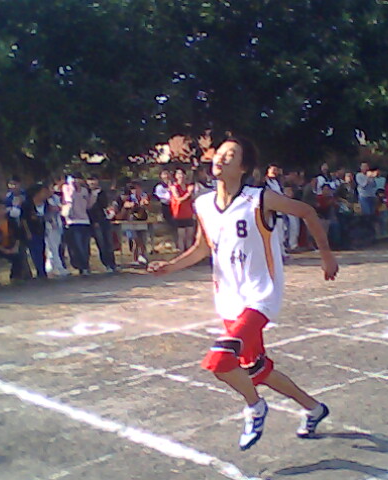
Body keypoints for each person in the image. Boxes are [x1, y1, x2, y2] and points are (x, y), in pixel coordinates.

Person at [148, 137, 338, 451]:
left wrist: (326, 256)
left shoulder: (260, 199)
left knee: (220, 360)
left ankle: (255, 406)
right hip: (229, 301)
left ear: (244, 167)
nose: (220, 158)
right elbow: (202, 248)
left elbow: (307, 212)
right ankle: (314, 408)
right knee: (256, 368)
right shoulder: (203, 203)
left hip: (260, 297)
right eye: (219, 153)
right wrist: (169, 267)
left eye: (230, 155)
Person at [61, 173, 97, 275]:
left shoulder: (84, 190)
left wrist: (93, 195)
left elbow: (88, 205)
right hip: (73, 221)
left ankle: (85, 266)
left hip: (85, 221)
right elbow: (68, 199)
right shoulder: (66, 188)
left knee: (85, 246)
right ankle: (81, 266)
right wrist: (72, 188)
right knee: (77, 246)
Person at [0, 200, 24, 281]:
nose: (1, 211)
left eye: (3, 208)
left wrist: (15, 247)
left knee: (19, 255)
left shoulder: (11, 220)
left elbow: (18, 235)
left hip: (11, 246)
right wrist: (4, 250)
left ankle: (16, 277)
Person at [87, 175, 116, 272]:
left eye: (94, 180)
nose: (92, 183)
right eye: (90, 180)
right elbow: (89, 208)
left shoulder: (101, 192)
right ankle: (106, 263)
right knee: (101, 243)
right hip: (93, 221)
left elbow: (104, 204)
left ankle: (112, 264)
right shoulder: (86, 192)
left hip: (104, 219)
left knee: (109, 243)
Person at [22, 184, 49, 278]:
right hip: (31, 231)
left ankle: (43, 270)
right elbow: (24, 220)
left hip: (41, 230)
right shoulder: (27, 204)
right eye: (43, 192)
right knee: (34, 251)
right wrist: (27, 232)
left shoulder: (46, 203)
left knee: (42, 251)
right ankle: (39, 271)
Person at [45, 179, 69, 277]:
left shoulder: (55, 197)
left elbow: (60, 208)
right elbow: (51, 209)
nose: (52, 190)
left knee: (56, 246)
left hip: (58, 224)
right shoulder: (45, 200)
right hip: (49, 226)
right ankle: (59, 267)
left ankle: (51, 267)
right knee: (52, 247)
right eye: (50, 188)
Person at [169, 168, 195, 252]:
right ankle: (181, 253)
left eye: (182, 174)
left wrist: (192, 193)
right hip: (179, 214)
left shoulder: (188, 187)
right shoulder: (174, 187)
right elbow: (179, 199)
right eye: (179, 174)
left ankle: (189, 254)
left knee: (189, 236)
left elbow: (193, 199)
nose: (181, 176)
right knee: (182, 236)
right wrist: (188, 193)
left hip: (189, 214)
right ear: (176, 176)